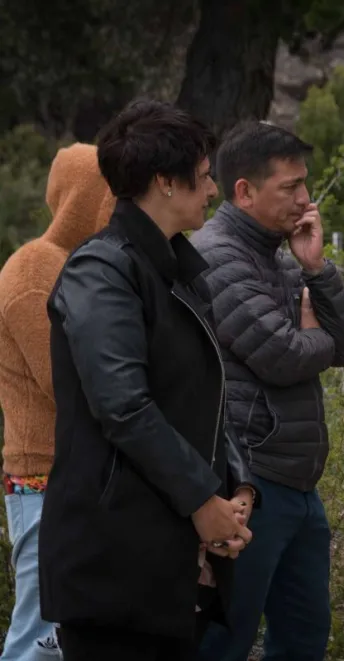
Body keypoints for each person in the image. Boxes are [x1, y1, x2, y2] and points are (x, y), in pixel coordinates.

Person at [38, 100, 257, 661]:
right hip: (114, 560)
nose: (212, 192)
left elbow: (208, 397)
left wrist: (238, 489)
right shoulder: (101, 270)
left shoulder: (178, 272)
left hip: (173, 559)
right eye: (205, 178)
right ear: (165, 182)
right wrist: (201, 502)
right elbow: (123, 406)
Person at [192, 121, 344, 661]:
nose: (305, 200)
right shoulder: (218, 256)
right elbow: (284, 355)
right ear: (244, 191)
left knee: (304, 638)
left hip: (297, 484)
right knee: (226, 639)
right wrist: (315, 336)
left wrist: (316, 267)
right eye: (290, 187)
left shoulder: (279, 257)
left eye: (304, 184)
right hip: (251, 485)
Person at [0, 143, 115, 660]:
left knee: (71, 636)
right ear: (86, 200)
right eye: (113, 196)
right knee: (40, 639)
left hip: (76, 479)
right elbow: (66, 380)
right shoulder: (33, 269)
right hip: (43, 480)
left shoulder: (81, 266)